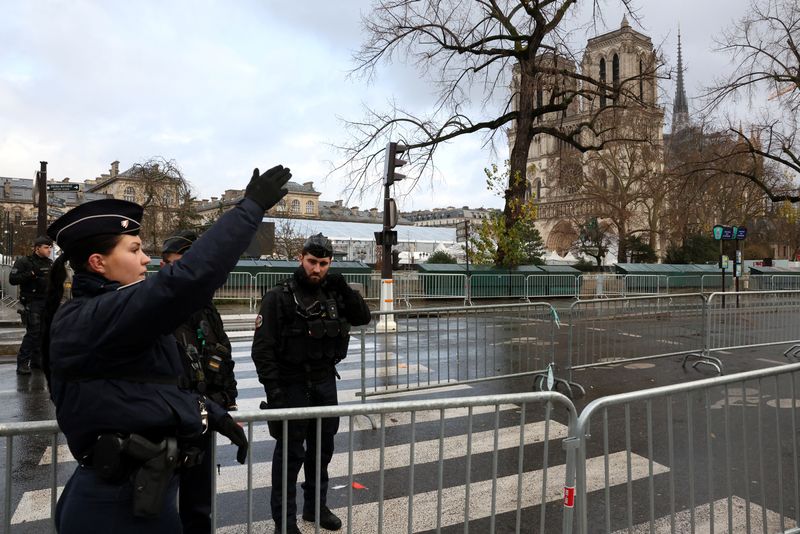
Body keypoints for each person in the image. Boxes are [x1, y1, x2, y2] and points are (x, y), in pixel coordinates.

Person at [41, 165, 292, 534]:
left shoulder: (109, 313)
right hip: (113, 507)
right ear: (99, 262)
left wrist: (211, 412)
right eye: (135, 249)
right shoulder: (95, 316)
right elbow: (186, 280)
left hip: (142, 496)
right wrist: (249, 209)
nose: (146, 259)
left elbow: (143, 390)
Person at [252, 233, 371, 533]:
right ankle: (284, 522)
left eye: (324, 263)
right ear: (300, 258)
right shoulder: (279, 297)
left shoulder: (332, 293)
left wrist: (344, 289)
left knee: (322, 451)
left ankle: (315, 508)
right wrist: (274, 393)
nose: (317, 269)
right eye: (312, 262)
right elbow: (263, 351)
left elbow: (363, 317)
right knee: (290, 457)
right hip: (291, 387)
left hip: (324, 383)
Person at [161, 229, 238, 534]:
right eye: (183, 264)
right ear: (166, 266)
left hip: (203, 416)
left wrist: (228, 399)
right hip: (167, 418)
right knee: (159, 499)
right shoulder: (157, 306)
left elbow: (222, 352)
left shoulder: (206, 307)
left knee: (198, 502)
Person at [9, 235, 53, 374]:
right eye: (46, 247)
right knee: (33, 332)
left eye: (50, 247)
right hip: (32, 301)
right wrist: (32, 273)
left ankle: (36, 361)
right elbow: (13, 279)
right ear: (37, 248)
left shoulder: (49, 263)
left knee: (43, 332)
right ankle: (22, 363)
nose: (49, 250)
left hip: (45, 300)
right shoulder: (24, 262)